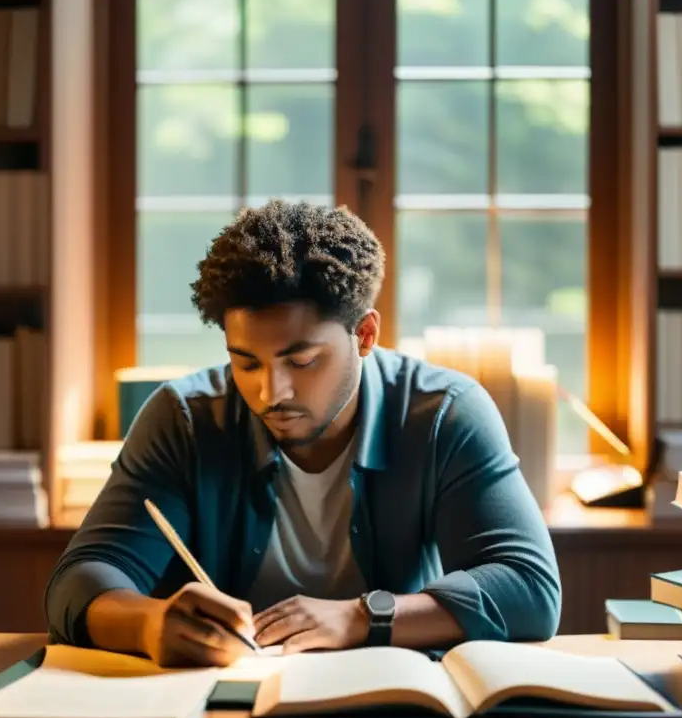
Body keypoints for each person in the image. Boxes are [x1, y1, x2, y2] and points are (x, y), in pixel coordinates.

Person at [44, 199, 561, 668]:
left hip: (389, 713)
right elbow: (80, 581)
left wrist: (364, 618)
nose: (272, 393)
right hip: (220, 717)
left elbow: (529, 588)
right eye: (245, 363)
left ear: (365, 335)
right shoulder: (183, 420)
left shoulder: (443, 413)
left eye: (302, 360)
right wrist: (150, 623)